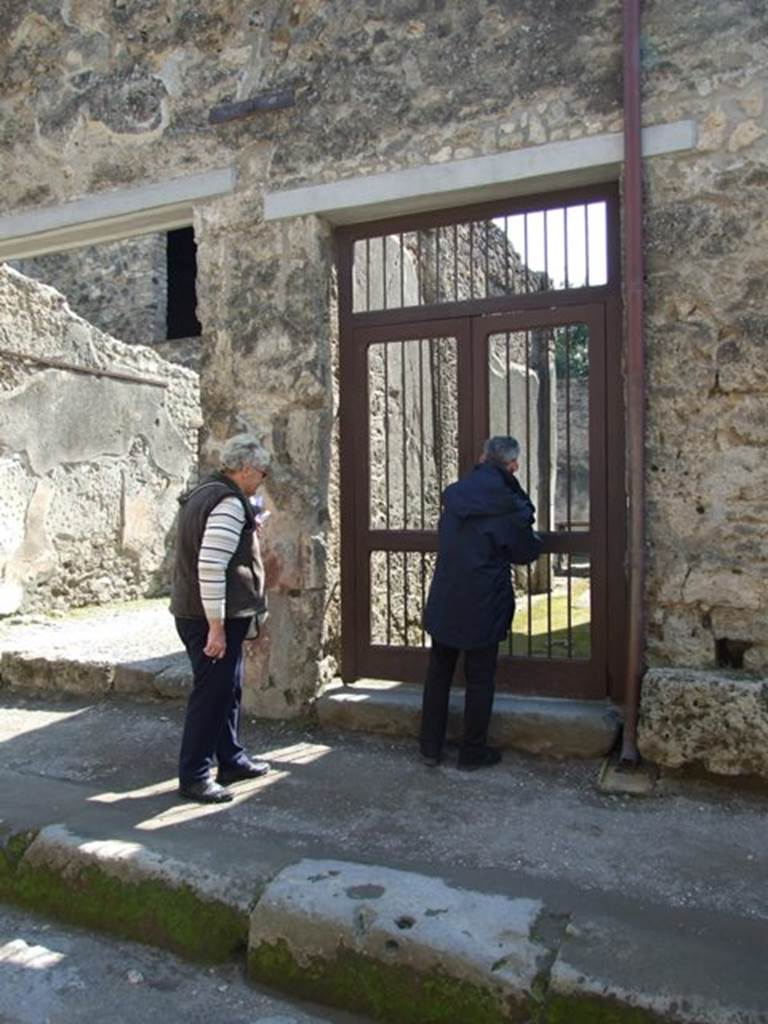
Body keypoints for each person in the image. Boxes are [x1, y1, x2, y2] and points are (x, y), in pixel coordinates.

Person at [419, 436, 542, 771]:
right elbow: (525, 551)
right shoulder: (507, 504)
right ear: (512, 465)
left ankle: (430, 746)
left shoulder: (456, 495)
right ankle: (472, 753)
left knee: (439, 672)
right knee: (480, 678)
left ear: (481, 456)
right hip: (484, 600)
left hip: (447, 593)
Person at [171, 434, 273, 803]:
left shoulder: (207, 492)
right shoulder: (228, 503)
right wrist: (215, 626)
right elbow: (211, 566)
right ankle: (195, 775)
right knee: (211, 695)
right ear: (244, 469)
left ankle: (230, 758)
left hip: (204, 612)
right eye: (261, 472)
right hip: (208, 616)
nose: (263, 478)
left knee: (227, 688)